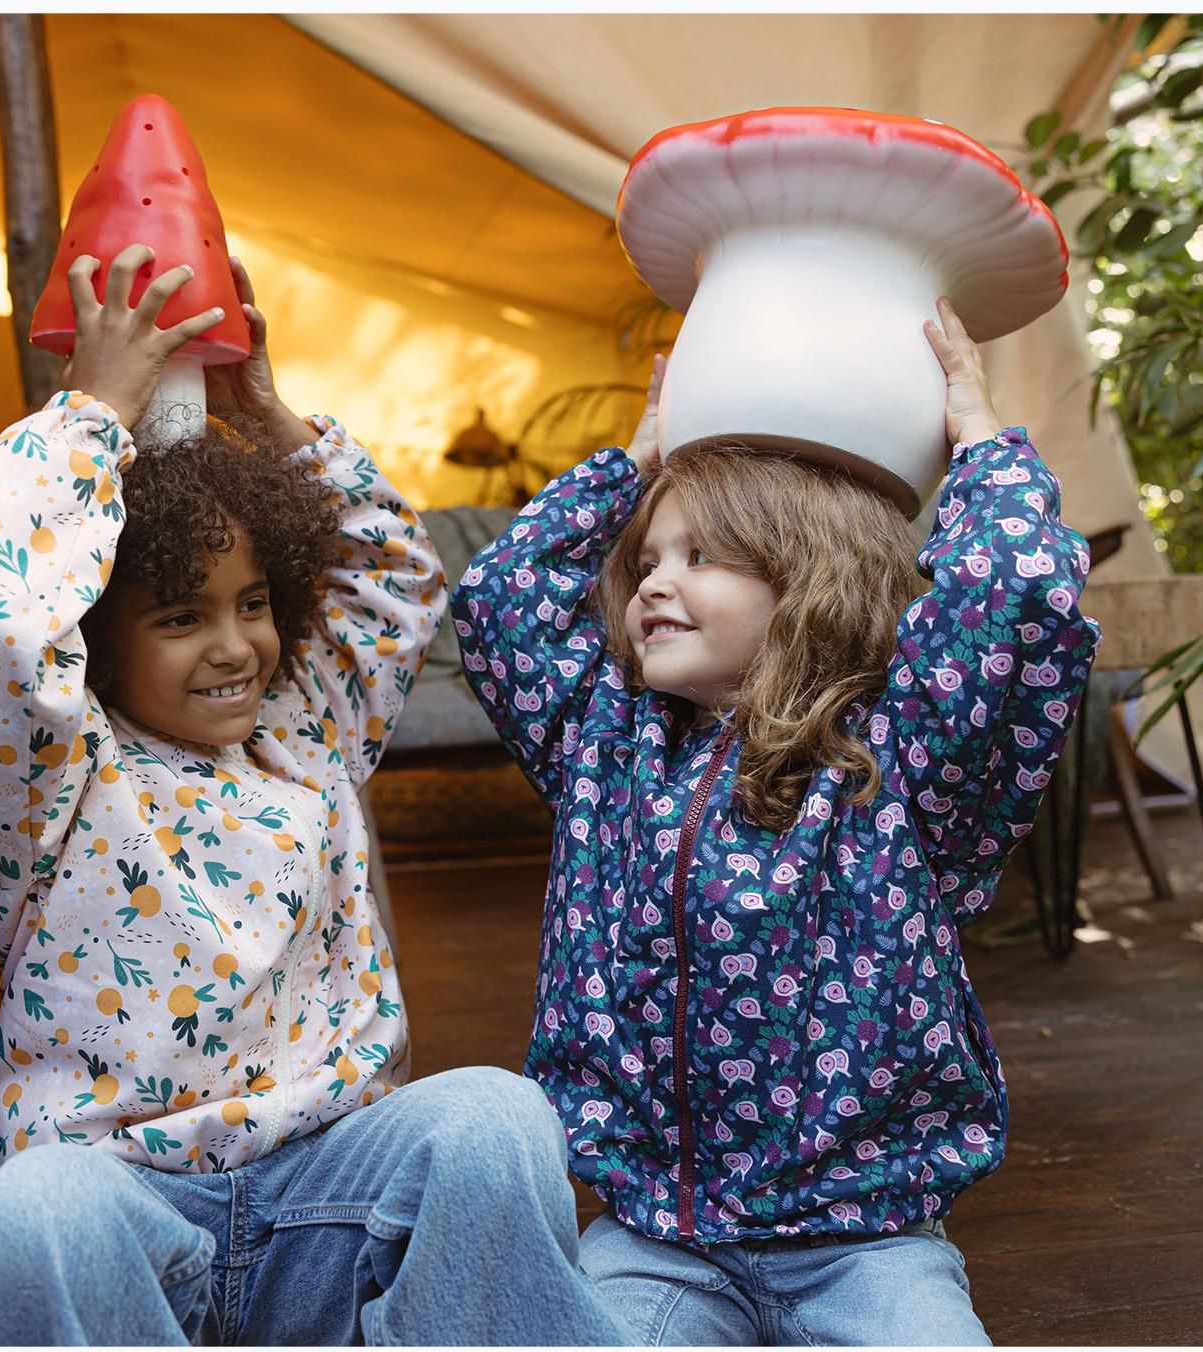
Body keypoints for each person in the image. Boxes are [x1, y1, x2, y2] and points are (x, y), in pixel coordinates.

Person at [0, 244, 628, 1346]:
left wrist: (266, 415)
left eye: (252, 603)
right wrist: (93, 411)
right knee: (29, 1218)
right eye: (180, 617)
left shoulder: (305, 730)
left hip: (328, 1198)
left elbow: (397, 578)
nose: (234, 645)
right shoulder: (51, 772)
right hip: (134, 1210)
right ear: (96, 641)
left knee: (495, 1117)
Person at [451, 299, 1100, 1345]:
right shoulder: (602, 745)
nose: (655, 582)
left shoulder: (898, 760)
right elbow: (499, 598)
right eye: (646, 560)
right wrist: (634, 461)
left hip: (865, 1245)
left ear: (808, 581)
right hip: (656, 1239)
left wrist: (980, 443)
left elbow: (1020, 594)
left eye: (700, 556)